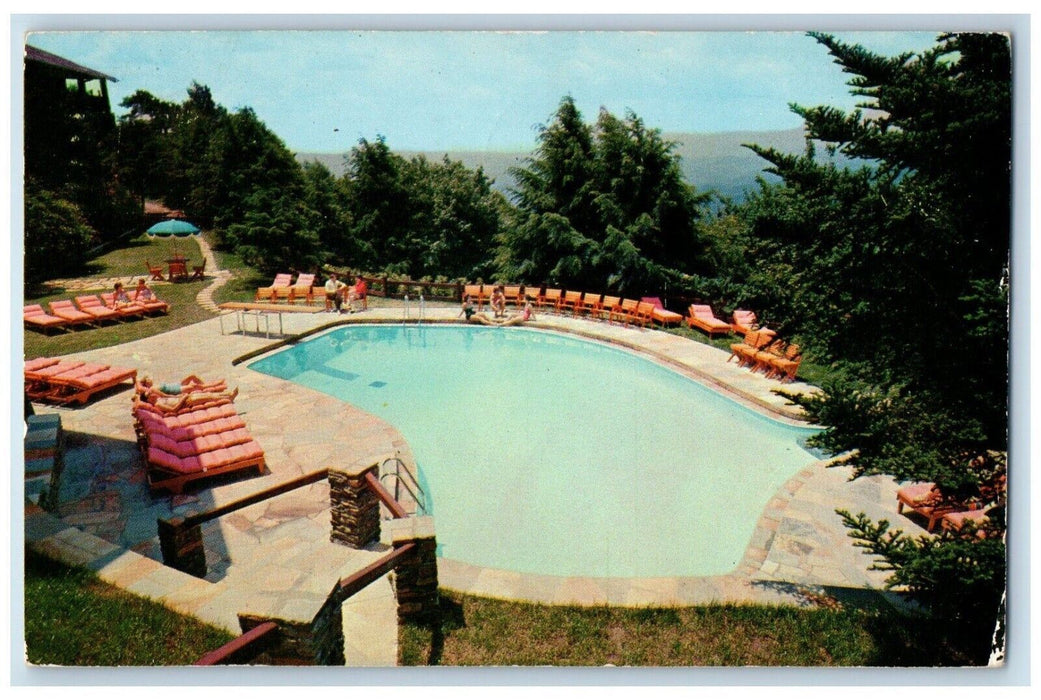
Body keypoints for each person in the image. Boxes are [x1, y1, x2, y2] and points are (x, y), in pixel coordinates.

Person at [144, 387, 239, 414]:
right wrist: (183, 398)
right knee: (208, 398)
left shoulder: (160, 398)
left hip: (184, 399)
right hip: (186, 403)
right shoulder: (158, 404)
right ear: (148, 400)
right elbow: (173, 410)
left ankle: (228, 394)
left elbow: (170, 397)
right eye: (149, 394)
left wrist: (180, 396)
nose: (152, 393)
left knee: (207, 394)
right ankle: (228, 398)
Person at [138, 375, 227, 398]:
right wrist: (176, 396)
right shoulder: (152, 389)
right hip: (177, 390)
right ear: (147, 383)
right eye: (149, 379)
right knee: (194, 386)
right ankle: (214, 385)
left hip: (177, 385)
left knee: (192, 376)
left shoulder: (153, 386)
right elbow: (164, 395)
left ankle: (205, 385)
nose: (151, 379)